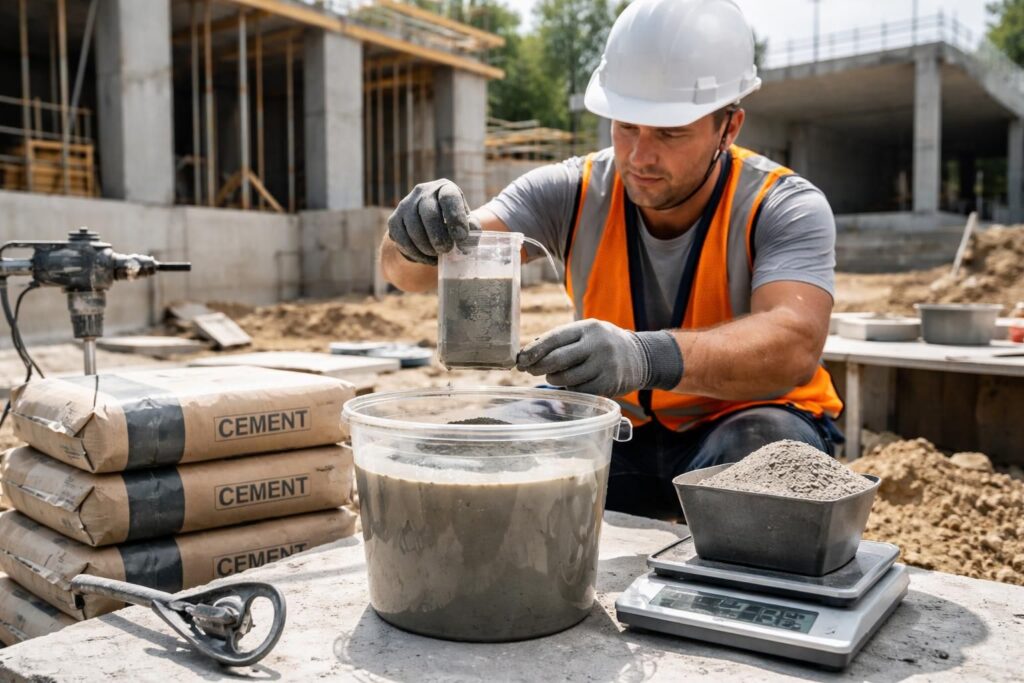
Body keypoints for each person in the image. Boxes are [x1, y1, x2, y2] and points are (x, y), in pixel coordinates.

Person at [380, 0, 844, 519]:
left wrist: (644, 357)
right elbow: (412, 274)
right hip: (614, 424)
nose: (641, 156)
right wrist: (414, 236)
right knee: (492, 449)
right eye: (626, 126)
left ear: (728, 127)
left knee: (765, 455)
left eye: (670, 133)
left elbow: (793, 343)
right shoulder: (572, 191)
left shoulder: (781, 205)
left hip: (741, 420)